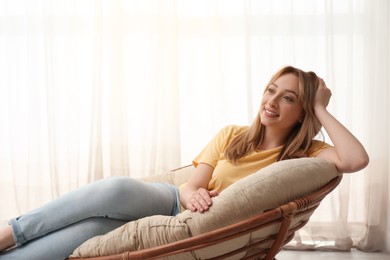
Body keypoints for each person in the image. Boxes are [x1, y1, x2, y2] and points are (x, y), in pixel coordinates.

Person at [0, 66, 369, 259]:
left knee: (88, 231)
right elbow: (194, 181)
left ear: (303, 113)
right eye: (271, 90)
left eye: (288, 98)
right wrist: (192, 194)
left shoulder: (307, 154)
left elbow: (355, 159)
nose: (271, 101)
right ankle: (9, 233)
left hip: (194, 222)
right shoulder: (232, 134)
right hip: (171, 201)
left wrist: (322, 106)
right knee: (115, 188)